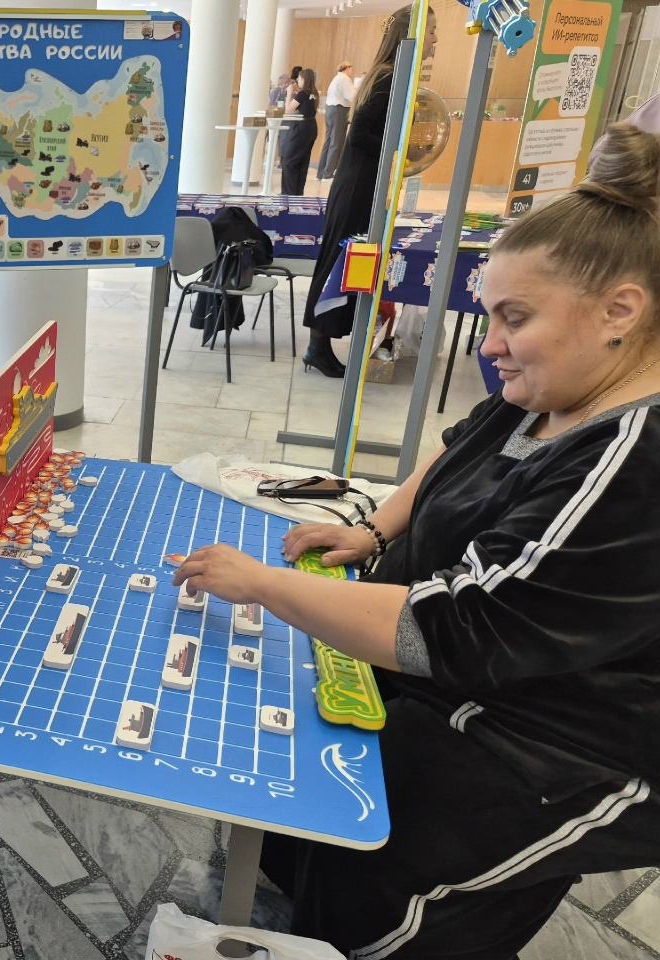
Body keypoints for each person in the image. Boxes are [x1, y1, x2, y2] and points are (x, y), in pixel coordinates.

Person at [173, 122, 660, 960]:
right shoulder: (557, 382)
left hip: (571, 745)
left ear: (620, 310)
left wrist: (263, 583)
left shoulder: (632, 457)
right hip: (469, 675)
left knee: (387, 857)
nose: (492, 344)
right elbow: (458, 450)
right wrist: (371, 529)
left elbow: (454, 631)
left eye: (514, 318)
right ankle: (293, 902)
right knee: (308, 781)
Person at [300, 5, 438, 378]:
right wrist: (399, 148)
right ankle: (317, 346)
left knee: (342, 262)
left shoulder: (392, 74)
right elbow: (359, 133)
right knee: (337, 263)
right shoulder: (389, 77)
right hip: (358, 184)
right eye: (431, 30)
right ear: (411, 35)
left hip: (363, 182)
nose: (436, 39)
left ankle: (321, 344)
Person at [281, 68, 319, 196]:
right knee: (302, 161)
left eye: (299, 78)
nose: (298, 80)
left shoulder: (303, 94)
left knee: (289, 161)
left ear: (304, 79)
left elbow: (288, 109)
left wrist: (289, 93)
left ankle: (289, 193)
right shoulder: (314, 93)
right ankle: (297, 193)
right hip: (312, 127)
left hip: (303, 128)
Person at [317, 60, 356, 180]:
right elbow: (352, 96)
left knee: (328, 142)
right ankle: (328, 173)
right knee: (336, 142)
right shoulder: (344, 79)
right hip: (339, 110)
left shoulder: (336, 78)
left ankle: (321, 173)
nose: (352, 70)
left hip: (330, 110)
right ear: (347, 68)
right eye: (351, 68)